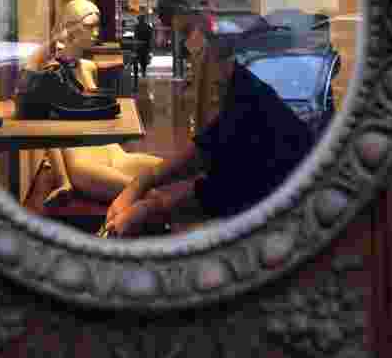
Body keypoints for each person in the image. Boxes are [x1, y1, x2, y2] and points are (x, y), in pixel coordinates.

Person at [103, 12, 316, 236]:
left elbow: (223, 180)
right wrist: (143, 185)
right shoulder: (244, 92)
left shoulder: (248, 96)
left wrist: (149, 204)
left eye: (187, 34)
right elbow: (209, 149)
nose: (190, 49)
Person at [39, 0, 164, 207]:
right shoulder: (51, 72)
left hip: (112, 152)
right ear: (69, 27)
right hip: (83, 162)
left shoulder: (88, 67)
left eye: (97, 26)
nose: (96, 33)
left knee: (173, 171)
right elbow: (48, 133)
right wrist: (64, 182)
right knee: (150, 197)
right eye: (89, 27)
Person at [133, 13, 154, 78]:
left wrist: (135, 45)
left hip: (138, 46)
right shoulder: (148, 27)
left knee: (136, 60)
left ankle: (136, 73)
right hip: (145, 46)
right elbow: (150, 37)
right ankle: (143, 72)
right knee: (143, 60)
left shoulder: (136, 27)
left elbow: (135, 36)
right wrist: (150, 47)